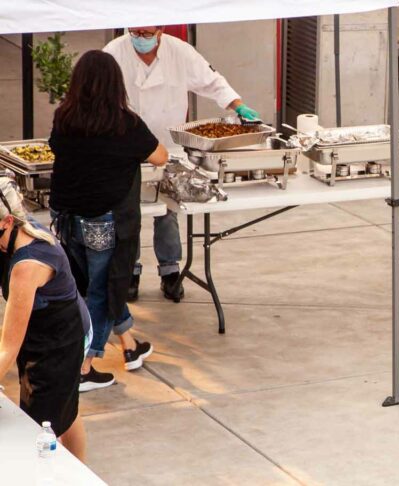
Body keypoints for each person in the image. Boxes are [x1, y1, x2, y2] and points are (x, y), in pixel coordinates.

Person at [104, 26, 259, 301]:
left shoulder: (180, 52)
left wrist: (238, 106)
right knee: (128, 213)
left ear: (160, 30)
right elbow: (96, 91)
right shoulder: (115, 52)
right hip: (125, 145)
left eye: (146, 33)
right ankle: (130, 271)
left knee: (168, 210)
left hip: (168, 145)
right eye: (135, 33)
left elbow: (213, 82)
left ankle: (170, 271)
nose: (140, 39)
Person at [49, 50, 169, 392]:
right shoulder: (125, 123)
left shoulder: (64, 117)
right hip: (102, 221)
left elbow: (56, 148)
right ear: (116, 84)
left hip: (65, 217)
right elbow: (160, 156)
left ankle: (129, 346)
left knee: (92, 285)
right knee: (101, 291)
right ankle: (84, 367)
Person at [0, 176, 89, 460]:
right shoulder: (15, 227)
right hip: (48, 328)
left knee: (41, 426)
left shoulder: (28, 263)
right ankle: (80, 472)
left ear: (7, 222)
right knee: (65, 409)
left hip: (61, 341)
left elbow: (8, 349)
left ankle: (65, 474)